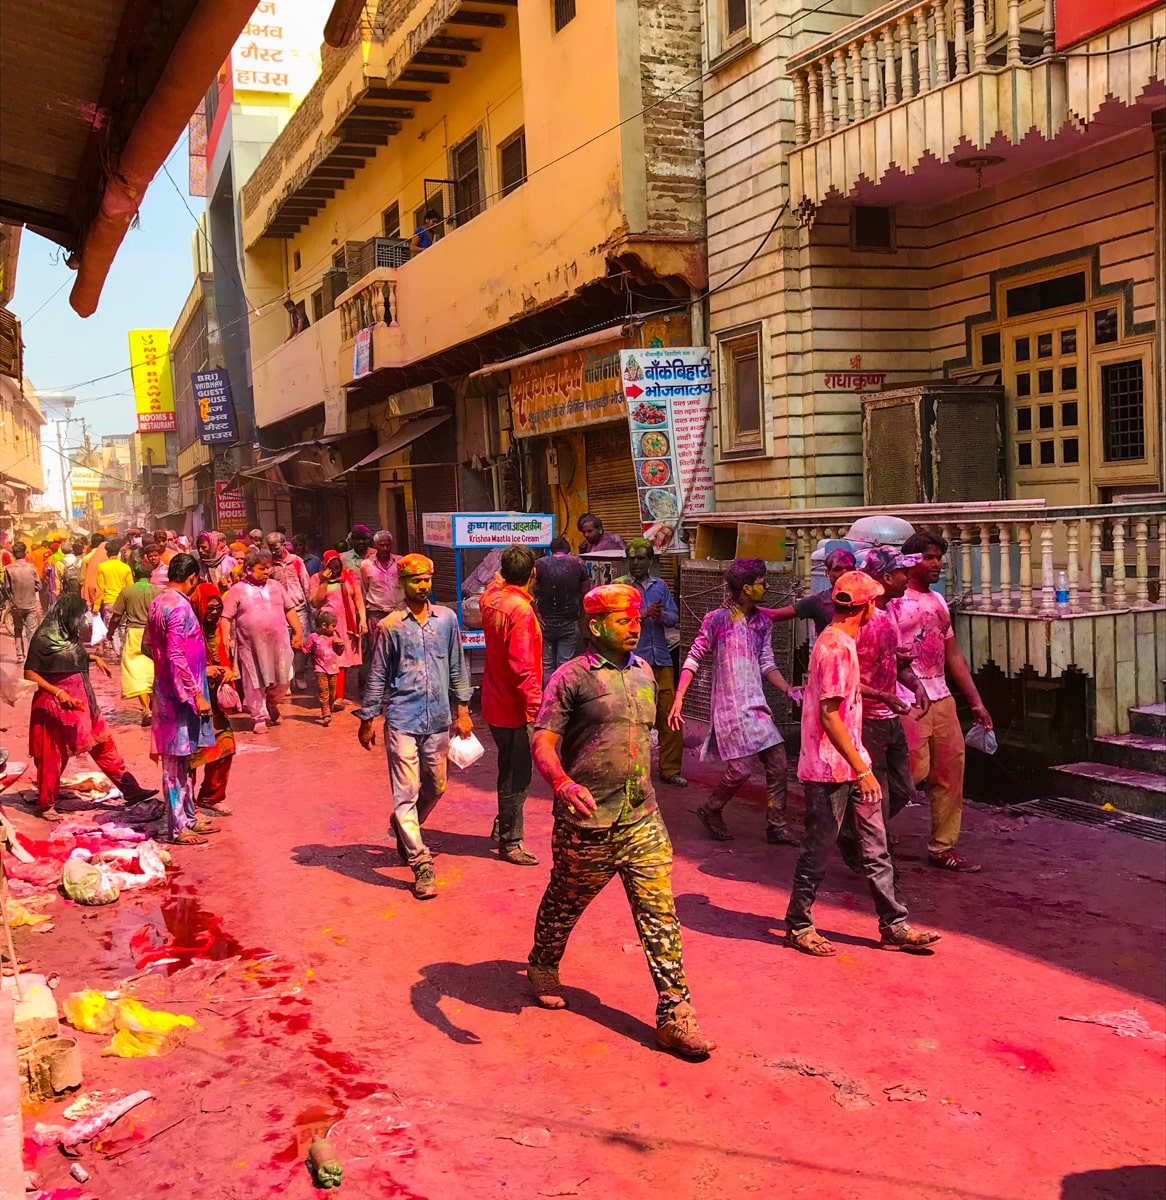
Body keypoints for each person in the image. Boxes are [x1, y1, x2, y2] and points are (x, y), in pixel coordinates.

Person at [527, 583, 714, 1060]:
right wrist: (562, 783)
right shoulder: (570, 678)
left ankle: (675, 1013)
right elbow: (543, 741)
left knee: (659, 914)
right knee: (565, 900)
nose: (634, 627)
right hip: (587, 822)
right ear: (595, 627)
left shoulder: (645, 672)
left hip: (641, 818)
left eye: (635, 619)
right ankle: (543, 961)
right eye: (623, 620)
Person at [784, 571, 942, 956]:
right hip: (830, 768)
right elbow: (829, 715)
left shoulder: (840, 642)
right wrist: (863, 770)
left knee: (876, 845)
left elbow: (844, 689)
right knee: (819, 847)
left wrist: (882, 696)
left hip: (850, 762)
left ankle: (893, 924)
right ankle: (798, 924)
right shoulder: (836, 647)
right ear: (867, 606)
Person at [356, 554, 473, 901]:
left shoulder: (447, 620)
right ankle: (421, 862)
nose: (422, 586)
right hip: (402, 720)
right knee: (405, 792)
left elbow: (457, 665)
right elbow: (378, 674)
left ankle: (404, 825)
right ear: (402, 583)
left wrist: (462, 709)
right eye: (415, 580)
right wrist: (368, 718)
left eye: (426, 580)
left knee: (436, 786)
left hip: (438, 720)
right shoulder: (390, 626)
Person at [670, 558, 797, 845]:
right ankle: (712, 807)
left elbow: (767, 663)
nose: (767, 586)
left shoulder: (763, 622)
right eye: (762, 582)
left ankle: (776, 826)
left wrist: (787, 689)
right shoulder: (717, 619)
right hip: (730, 708)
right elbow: (694, 656)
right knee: (740, 769)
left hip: (756, 706)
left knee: (778, 763)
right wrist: (679, 697)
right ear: (746, 589)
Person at [888, 530, 993, 873]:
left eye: (938, 558)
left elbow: (953, 655)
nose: (936, 564)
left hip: (942, 697)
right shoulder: (893, 602)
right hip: (906, 699)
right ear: (910, 561)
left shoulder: (938, 601)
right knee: (909, 774)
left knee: (950, 772)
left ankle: (943, 847)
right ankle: (865, 829)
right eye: (929, 558)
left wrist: (976, 702)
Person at [835, 546, 929, 873]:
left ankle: (853, 831)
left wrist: (915, 685)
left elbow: (891, 663)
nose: (908, 577)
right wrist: (882, 695)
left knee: (903, 790)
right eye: (903, 572)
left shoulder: (888, 615)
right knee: (879, 796)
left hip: (889, 717)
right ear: (887, 578)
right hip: (866, 719)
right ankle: (881, 869)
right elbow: (843, 675)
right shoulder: (861, 621)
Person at [24, 593, 157, 821]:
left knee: (104, 745)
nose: (81, 620)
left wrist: (93, 658)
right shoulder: (43, 638)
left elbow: (69, 659)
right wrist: (58, 692)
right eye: (79, 615)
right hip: (55, 706)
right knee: (53, 756)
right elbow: (29, 673)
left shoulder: (70, 634)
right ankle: (46, 805)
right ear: (66, 614)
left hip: (83, 702)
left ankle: (131, 790)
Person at [146, 555, 218, 846]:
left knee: (185, 760)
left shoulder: (158, 603)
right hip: (179, 698)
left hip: (170, 692)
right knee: (174, 763)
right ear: (191, 578)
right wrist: (195, 693)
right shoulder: (178, 607)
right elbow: (175, 654)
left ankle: (188, 817)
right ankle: (177, 827)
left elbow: (151, 647)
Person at [480, 545, 542, 866]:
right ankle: (511, 840)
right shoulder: (521, 611)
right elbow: (523, 667)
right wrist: (535, 708)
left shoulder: (491, 598)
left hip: (494, 701)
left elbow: (492, 582)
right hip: (514, 708)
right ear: (533, 573)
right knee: (517, 775)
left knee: (508, 768)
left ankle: (504, 823)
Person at [617, 538, 685, 787]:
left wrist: (661, 615)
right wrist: (643, 613)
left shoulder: (660, 586)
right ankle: (632, 771)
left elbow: (674, 616)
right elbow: (614, 617)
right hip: (633, 664)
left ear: (650, 561)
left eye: (640, 558)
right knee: (634, 718)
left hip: (661, 660)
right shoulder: (621, 587)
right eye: (632, 558)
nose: (635, 562)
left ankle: (670, 770)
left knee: (671, 718)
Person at [221, 548, 303, 733]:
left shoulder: (276, 586)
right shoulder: (237, 590)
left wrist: (298, 632)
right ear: (248, 569)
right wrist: (225, 639)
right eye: (262, 568)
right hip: (251, 647)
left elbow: (289, 609)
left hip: (279, 645)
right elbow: (226, 617)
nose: (267, 571)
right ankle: (258, 717)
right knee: (253, 682)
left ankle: (271, 703)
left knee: (284, 680)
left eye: (268, 568)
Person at [189, 584, 238, 819]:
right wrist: (204, 671)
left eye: (218, 608)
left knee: (226, 746)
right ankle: (188, 805)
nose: (214, 613)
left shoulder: (217, 629)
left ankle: (210, 797)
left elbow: (224, 658)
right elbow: (179, 662)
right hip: (193, 703)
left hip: (215, 702)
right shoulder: (188, 629)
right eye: (209, 608)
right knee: (191, 756)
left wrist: (226, 671)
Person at [106, 554, 162, 726]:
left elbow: (116, 616)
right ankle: (155, 706)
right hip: (154, 634)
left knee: (136, 672)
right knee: (154, 670)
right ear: (151, 574)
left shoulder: (127, 591)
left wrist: (110, 633)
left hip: (134, 634)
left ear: (135, 575)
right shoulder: (158, 591)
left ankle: (146, 709)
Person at [310, 550, 366, 706]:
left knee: (343, 659)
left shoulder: (349, 576)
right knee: (330, 658)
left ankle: (337, 696)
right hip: (328, 626)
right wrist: (324, 582)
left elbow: (358, 599)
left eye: (337, 566)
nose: (335, 570)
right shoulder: (316, 578)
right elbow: (315, 602)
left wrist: (363, 620)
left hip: (347, 624)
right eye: (331, 566)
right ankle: (331, 695)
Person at [761, 547, 856, 634]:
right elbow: (775, 615)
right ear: (827, 573)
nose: (845, 572)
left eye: (849, 568)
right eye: (838, 569)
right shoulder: (818, 601)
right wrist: (750, 605)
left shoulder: (864, 599)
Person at [533, 537, 590, 681]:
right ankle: (561, 694)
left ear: (551, 550)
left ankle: (548, 693)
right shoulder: (578, 563)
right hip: (569, 622)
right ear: (568, 550)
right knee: (564, 665)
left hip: (545, 622)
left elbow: (529, 589)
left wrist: (536, 613)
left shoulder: (540, 564)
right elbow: (586, 591)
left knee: (547, 665)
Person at [267, 532, 313, 689]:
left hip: (299, 608)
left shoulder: (296, 561)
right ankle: (286, 678)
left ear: (283, 544)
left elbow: (305, 582)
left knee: (301, 644)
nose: (273, 551)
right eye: (270, 548)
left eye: (276, 547)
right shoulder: (269, 564)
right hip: (279, 610)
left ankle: (299, 676)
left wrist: (311, 605)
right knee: (283, 646)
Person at [303, 609, 345, 725]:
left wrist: (340, 645)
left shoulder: (333, 637)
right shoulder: (313, 637)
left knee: (332, 693)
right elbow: (307, 650)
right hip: (320, 669)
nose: (335, 629)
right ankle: (326, 714)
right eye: (333, 626)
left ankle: (329, 709)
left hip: (333, 669)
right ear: (324, 625)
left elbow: (339, 653)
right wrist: (300, 648)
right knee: (323, 692)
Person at [93, 539, 132, 656]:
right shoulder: (125, 567)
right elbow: (129, 587)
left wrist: (96, 606)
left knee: (112, 628)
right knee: (123, 627)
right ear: (118, 552)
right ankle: (124, 650)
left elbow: (100, 589)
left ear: (107, 553)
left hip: (109, 602)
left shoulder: (102, 567)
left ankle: (118, 651)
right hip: (124, 602)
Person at [359, 530, 402, 630]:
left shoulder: (400, 562)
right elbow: (364, 591)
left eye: (388, 545)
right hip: (376, 614)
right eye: (381, 545)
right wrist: (363, 619)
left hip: (398, 613)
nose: (385, 548)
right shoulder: (366, 565)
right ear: (375, 545)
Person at [6, 541, 42, 651]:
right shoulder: (31, 567)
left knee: (18, 630)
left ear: (13, 554)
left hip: (16, 604)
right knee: (32, 631)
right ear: (25, 553)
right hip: (30, 603)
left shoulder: (8, 568)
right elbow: (39, 586)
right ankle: (31, 655)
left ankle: (20, 655)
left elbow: (7, 587)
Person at [80, 533, 108, 608]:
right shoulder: (107, 556)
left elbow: (82, 579)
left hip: (91, 594)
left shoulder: (86, 558)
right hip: (106, 593)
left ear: (92, 543)